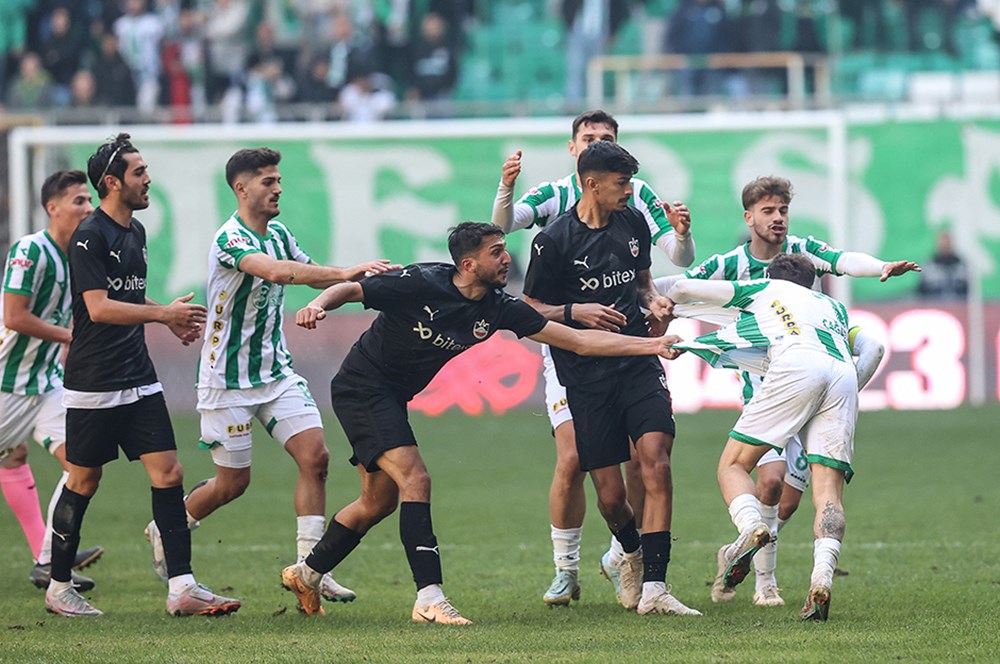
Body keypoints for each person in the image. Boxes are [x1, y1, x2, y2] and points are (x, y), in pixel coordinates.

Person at [279, 221, 683, 624]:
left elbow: (577, 340)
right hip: (362, 389)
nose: (507, 259)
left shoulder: (498, 307)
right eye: (496, 252)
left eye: (505, 249)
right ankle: (429, 598)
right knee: (416, 480)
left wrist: (651, 345)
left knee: (377, 502)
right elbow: (353, 289)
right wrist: (318, 305)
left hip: (394, 397)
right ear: (469, 264)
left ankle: (307, 573)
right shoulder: (422, 281)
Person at [146, 147, 397, 607]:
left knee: (315, 458)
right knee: (232, 484)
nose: (278, 188)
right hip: (227, 381)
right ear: (241, 188)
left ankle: (311, 569)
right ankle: (170, 524)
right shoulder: (229, 239)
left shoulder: (279, 233)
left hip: (276, 373)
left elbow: (308, 273)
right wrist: (344, 270)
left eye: (279, 180)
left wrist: (360, 279)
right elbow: (279, 273)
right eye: (268, 181)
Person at [654, 175, 919, 607]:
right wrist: (843, 397)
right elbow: (871, 344)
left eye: (783, 210)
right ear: (749, 217)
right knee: (789, 486)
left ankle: (746, 537)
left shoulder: (772, 279)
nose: (778, 218)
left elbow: (681, 289)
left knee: (758, 486)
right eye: (769, 211)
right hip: (827, 378)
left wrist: (663, 315)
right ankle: (782, 582)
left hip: (791, 374)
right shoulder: (825, 303)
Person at [492, 109, 695, 607]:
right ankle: (623, 553)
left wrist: (654, 302)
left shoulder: (634, 221)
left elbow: (643, 283)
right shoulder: (553, 239)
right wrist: (574, 311)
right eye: (622, 183)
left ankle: (656, 587)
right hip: (583, 372)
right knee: (608, 495)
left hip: (637, 361)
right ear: (591, 183)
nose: (629, 191)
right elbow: (529, 307)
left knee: (655, 460)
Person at [44, 133, 239, 618]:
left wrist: (165, 316)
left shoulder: (136, 232)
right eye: (139, 172)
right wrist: (162, 316)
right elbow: (99, 308)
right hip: (94, 381)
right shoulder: (90, 235)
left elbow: (128, 297)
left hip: (138, 376)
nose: (148, 179)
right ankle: (59, 587)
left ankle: (182, 587)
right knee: (83, 479)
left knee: (169, 473)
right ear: (113, 182)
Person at [663, 253, 884, 621]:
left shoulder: (765, 288)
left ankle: (751, 529)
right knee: (828, 494)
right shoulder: (834, 307)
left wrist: (647, 294)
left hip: (796, 367)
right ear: (813, 282)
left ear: (771, 276)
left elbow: (683, 286)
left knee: (733, 465)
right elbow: (874, 348)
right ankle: (821, 579)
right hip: (843, 376)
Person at [1, 170, 104, 591]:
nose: (88, 208)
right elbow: (14, 317)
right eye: (79, 200)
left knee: (83, 464)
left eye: (89, 200)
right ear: (52, 208)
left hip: (46, 386)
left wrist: (163, 315)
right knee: (13, 458)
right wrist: (70, 336)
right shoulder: (31, 249)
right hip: (7, 386)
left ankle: (49, 559)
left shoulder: (79, 256)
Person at [916, 230, 968, 300]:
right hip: (934, 304)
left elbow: (968, 291)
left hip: (957, 305)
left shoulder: (962, 266)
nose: (945, 247)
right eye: (943, 244)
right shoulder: (928, 266)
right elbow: (921, 292)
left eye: (947, 244)